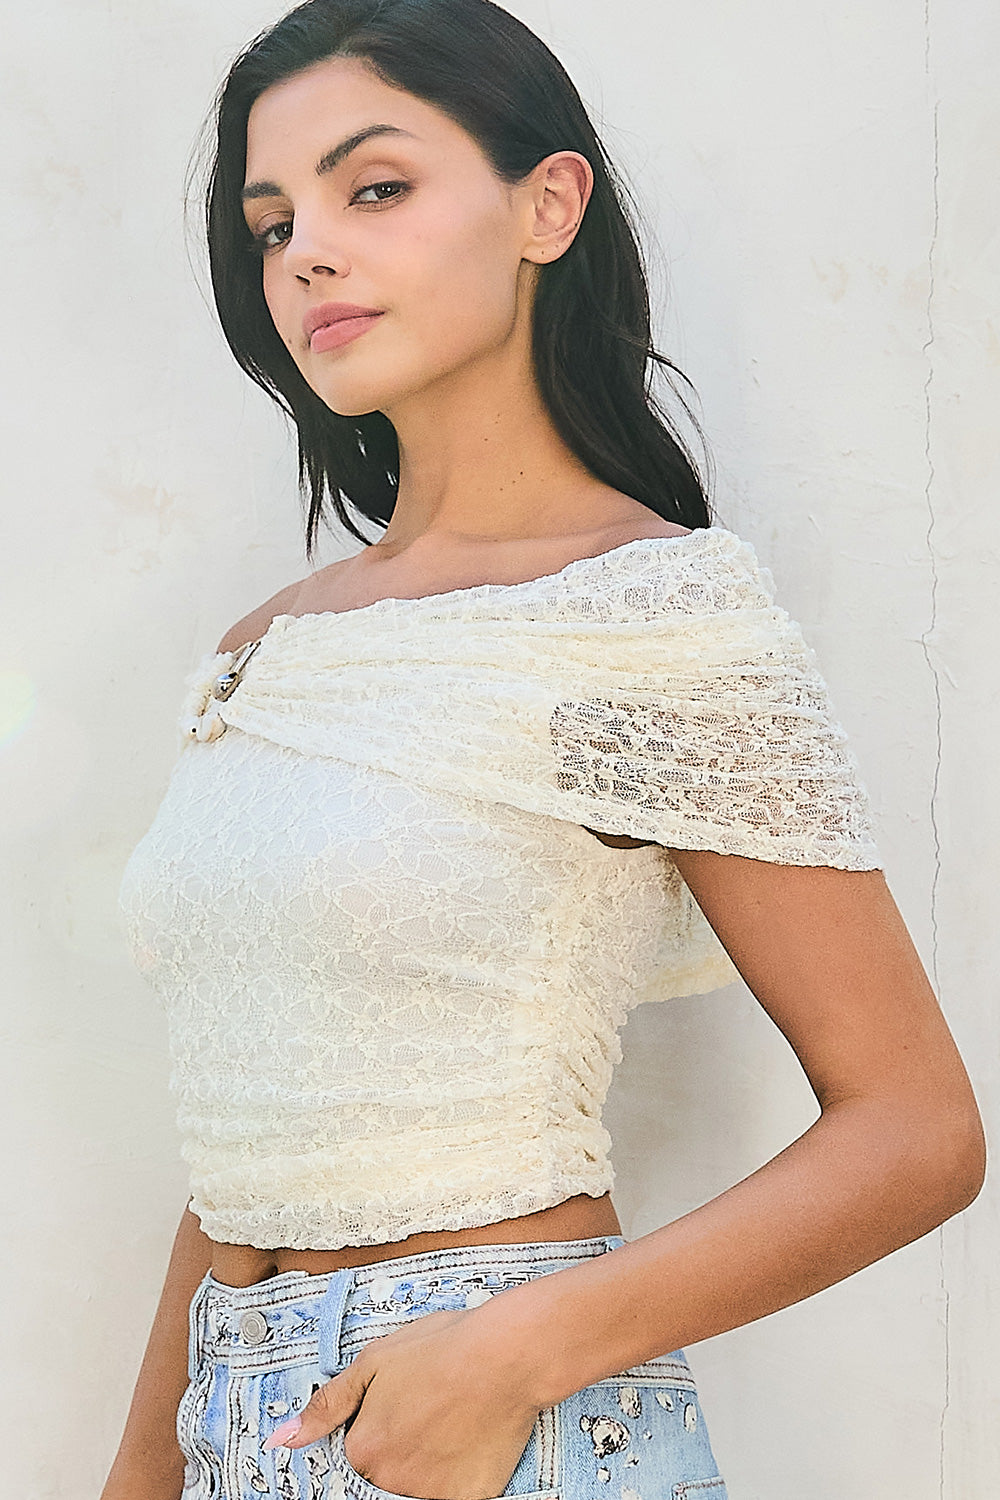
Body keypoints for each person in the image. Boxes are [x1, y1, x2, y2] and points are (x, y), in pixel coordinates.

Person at [103, 2, 986, 1498]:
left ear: (546, 206)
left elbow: (918, 1129)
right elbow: (247, 1143)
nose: (307, 252)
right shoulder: (267, 649)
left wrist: (508, 1356)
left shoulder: (650, 613)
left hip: (504, 1426)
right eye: (272, 224)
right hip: (232, 1416)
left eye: (375, 187)